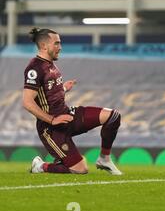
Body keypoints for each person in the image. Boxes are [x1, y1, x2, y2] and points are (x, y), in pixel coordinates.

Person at [23, 28, 122, 175]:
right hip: (50, 129)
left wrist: (63, 88)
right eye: (56, 43)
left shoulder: (50, 65)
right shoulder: (35, 68)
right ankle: (40, 166)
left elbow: (48, 94)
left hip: (67, 115)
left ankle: (104, 159)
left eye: (60, 43)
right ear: (44, 46)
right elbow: (27, 102)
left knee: (113, 116)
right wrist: (52, 120)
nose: (60, 47)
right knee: (80, 169)